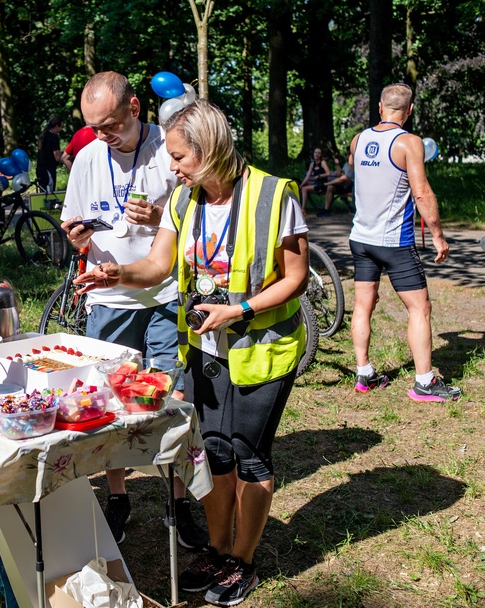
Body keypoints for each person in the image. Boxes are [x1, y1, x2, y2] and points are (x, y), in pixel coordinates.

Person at [77, 99, 309, 606]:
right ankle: (218, 548)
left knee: (248, 457)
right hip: (206, 348)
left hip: (261, 348)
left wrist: (240, 309)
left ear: (209, 151)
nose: (173, 169)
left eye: (180, 158)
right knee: (215, 453)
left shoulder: (274, 195)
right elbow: (158, 265)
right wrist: (114, 273)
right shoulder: (185, 200)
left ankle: (242, 562)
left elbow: (296, 277)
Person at [59, 71, 203, 550]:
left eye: (111, 125)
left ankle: (179, 499)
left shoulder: (173, 147)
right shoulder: (86, 157)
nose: (103, 135)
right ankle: (118, 495)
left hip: (165, 295)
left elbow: (201, 216)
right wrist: (75, 237)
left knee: (174, 399)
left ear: (136, 108)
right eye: (94, 127)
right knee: (107, 402)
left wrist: (163, 219)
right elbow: (71, 222)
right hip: (109, 297)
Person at [348, 83, 461, 401]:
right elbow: (422, 192)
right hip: (394, 242)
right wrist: (438, 236)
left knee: (362, 306)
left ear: (380, 108)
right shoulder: (409, 143)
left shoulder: (359, 140)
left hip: (360, 237)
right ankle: (425, 382)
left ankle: (364, 374)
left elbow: (359, 174)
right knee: (420, 308)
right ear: (409, 111)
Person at [36, 115, 63, 192]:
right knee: (49, 194)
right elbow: (57, 157)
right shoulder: (54, 137)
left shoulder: (43, 135)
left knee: (43, 193)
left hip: (40, 168)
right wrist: (66, 156)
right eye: (61, 126)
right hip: (49, 169)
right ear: (56, 126)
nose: (61, 129)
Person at [299, 147, 330, 212]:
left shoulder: (323, 162)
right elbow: (307, 177)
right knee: (303, 188)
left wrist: (320, 176)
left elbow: (328, 173)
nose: (316, 154)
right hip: (316, 184)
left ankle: (303, 209)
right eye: (315, 152)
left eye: (319, 153)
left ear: (321, 155)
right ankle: (302, 208)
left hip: (323, 184)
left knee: (304, 189)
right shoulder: (312, 164)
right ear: (313, 154)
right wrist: (301, 185)